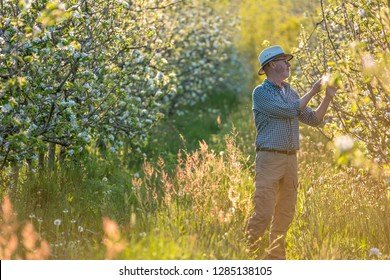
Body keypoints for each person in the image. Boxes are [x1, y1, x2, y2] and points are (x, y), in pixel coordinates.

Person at [245, 45, 337, 260]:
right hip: (269, 159)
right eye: (284, 61)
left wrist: (328, 97)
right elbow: (289, 111)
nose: (288, 64)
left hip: (290, 159)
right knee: (264, 212)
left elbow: (314, 120)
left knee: (285, 212)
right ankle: (248, 255)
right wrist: (314, 90)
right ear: (271, 65)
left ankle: (275, 259)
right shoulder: (261, 93)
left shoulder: (291, 92)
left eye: (288, 61)